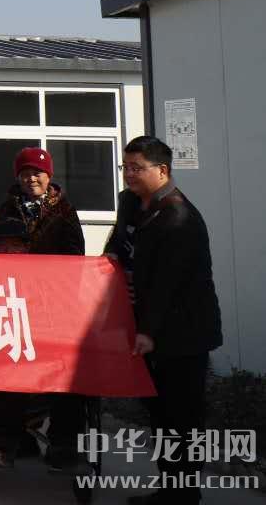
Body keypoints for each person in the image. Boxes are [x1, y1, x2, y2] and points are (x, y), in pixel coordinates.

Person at [105, 135, 222, 505]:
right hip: (146, 326)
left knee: (182, 417)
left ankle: (185, 494)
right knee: (158, 414)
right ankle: (169, 489)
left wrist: (148, 332)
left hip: (182, 332)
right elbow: (118, 242)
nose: (129, 174)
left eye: (137, 168)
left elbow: (168, 284)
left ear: (163, 170)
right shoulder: (131, 202)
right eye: (125, 167)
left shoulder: (178, 217)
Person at [0, 147, 85, 470]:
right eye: (25, 173)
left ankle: (63, 444)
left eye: (37, 173)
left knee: (65, 377)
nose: (31, 178)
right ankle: (7, 442)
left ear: (49, 176)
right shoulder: (6, 211)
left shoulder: (64, 211)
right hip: (14, 307)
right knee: (10, 375)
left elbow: (76, 258)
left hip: (54, 310)